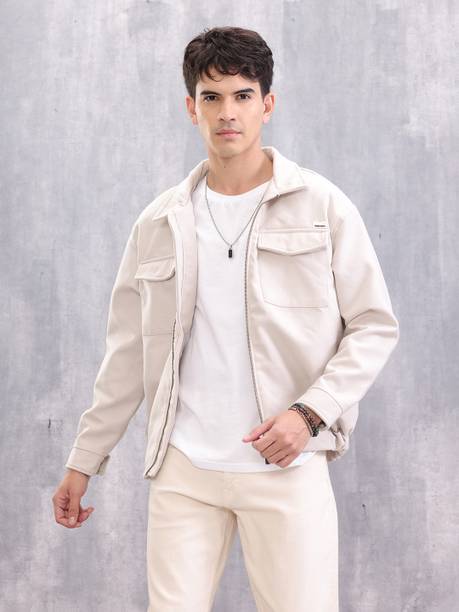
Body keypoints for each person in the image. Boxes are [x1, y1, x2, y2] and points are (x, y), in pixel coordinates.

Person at [52, 26, 400, 612]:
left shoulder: (323, 206)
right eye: (211, 97)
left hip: (286, 468)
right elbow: (127, 356)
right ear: (192, 108)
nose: (227, 113)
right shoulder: (158, 223)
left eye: (242, 95)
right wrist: (83, 462)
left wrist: (310, 414)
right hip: (184, 473)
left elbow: (373, 325)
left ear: (268, 103)